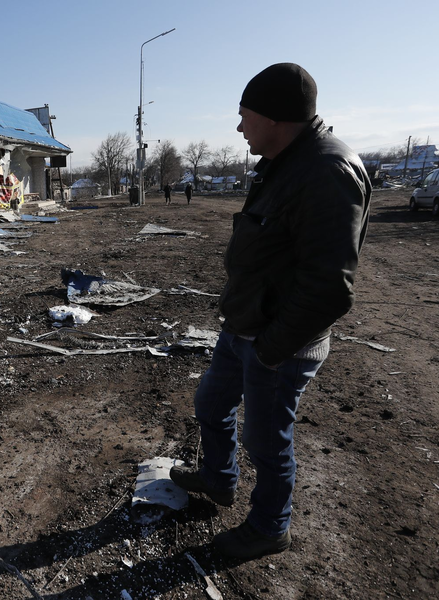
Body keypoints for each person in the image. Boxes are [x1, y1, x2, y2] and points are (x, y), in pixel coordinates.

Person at [170, 63, 371, 560]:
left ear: (276, 119)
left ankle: (268, 528)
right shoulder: (284, 161)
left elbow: (329, 287)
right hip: (243, 327)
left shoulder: (326, 172)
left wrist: (270, 350)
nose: (239, 128)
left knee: (267, 441)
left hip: (278, 344)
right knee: (211, 406)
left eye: (245, 116)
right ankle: (218, 480)